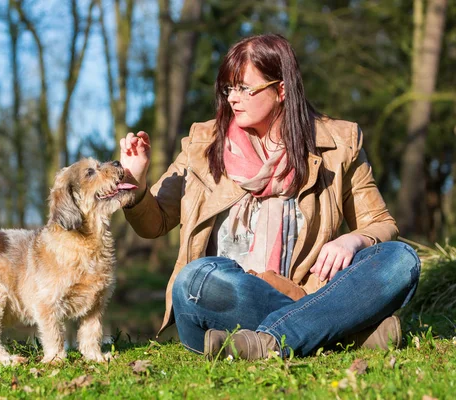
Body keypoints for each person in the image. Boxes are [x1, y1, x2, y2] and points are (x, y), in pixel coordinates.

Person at [119, 34, 420, 360]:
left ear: (282, 90)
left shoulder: (339, 143)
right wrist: (135, 182)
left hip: (309, 288)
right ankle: (337, 332)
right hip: (223, 301)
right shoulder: (202, 145)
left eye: (245, 88)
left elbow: (380, 223)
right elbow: (155, 223)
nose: (233, 99)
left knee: (401, 259)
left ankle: (267, 342)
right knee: (194, 280)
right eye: (228, 88)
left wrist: (354, 241)